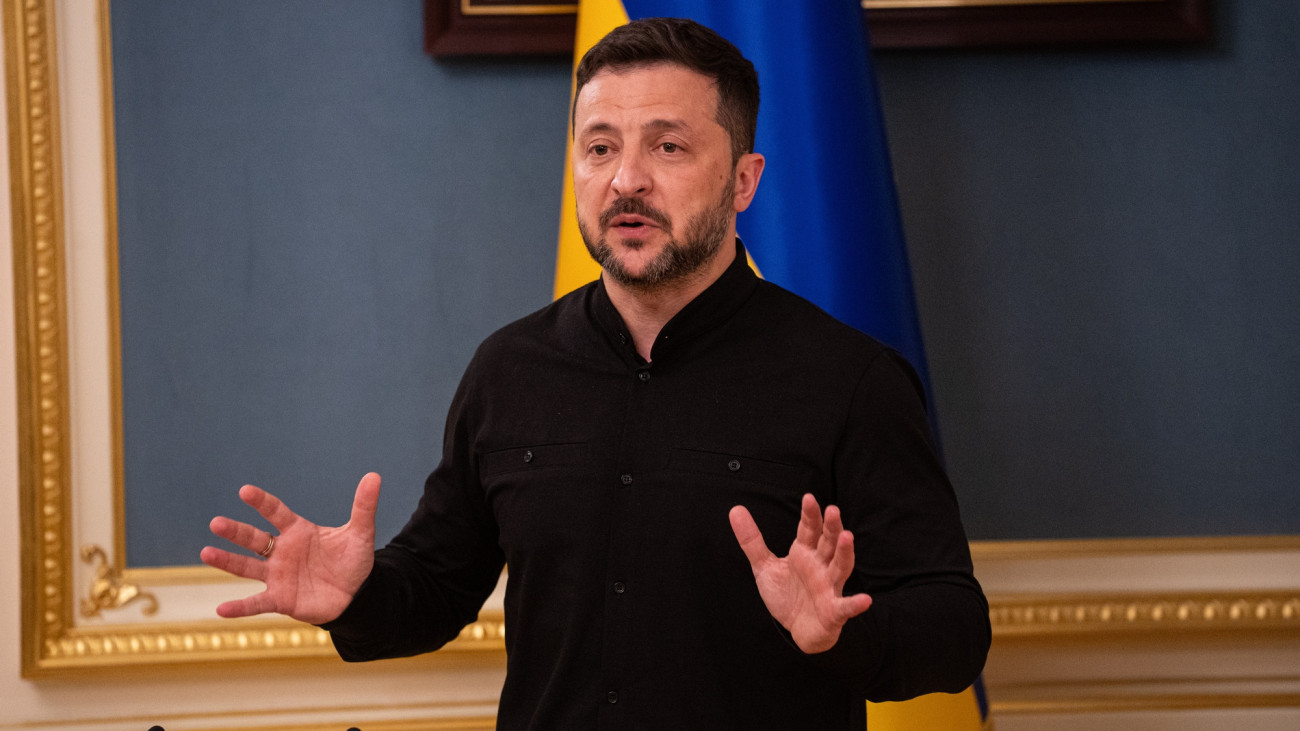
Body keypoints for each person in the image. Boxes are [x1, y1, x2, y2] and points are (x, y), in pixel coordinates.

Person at [201, 17, 989, 729]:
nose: (626, 180)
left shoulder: (850, 379)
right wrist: (357, 597)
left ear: (744, 181)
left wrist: (844, 634)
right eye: (601, 147)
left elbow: (955, 629)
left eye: (668, 147)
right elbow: (436, 590)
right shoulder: (508, 370)